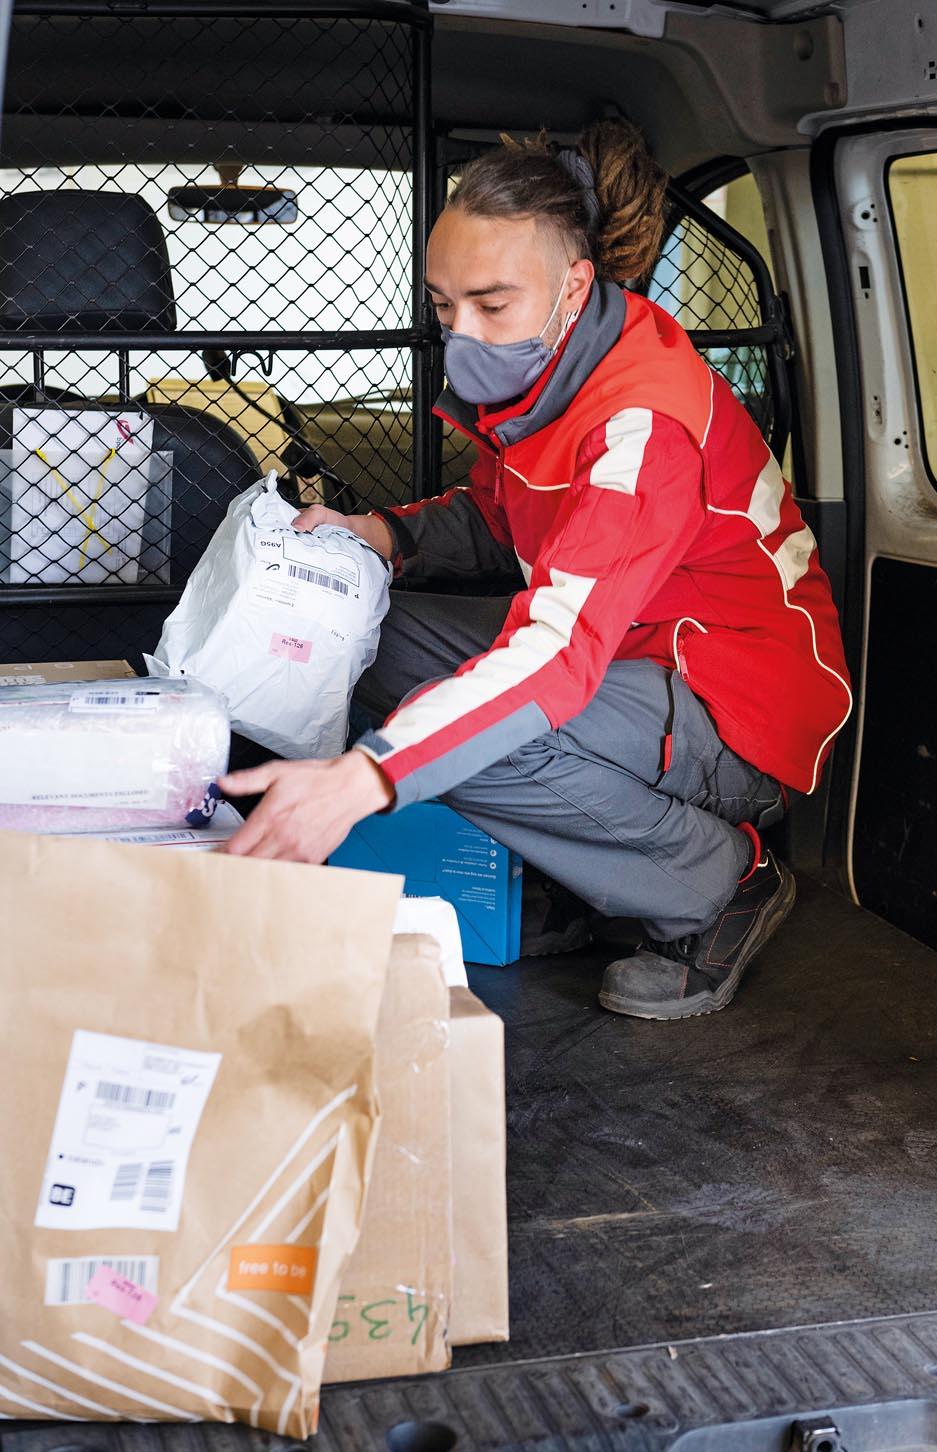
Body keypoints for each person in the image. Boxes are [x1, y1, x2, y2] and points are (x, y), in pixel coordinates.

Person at [220, 119, 852, 1021]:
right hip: (629, 660)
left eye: (490, 303)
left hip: (735, 700)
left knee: (452, 738)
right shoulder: (551, 368)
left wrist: (364, 778)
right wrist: (381, 539)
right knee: (352, 632)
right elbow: (499, 513)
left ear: (574, 285)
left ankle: (720, 883)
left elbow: (555, 661)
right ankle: (583, 866)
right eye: (443, 309)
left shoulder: (642, 423)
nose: (462, 332)